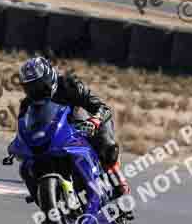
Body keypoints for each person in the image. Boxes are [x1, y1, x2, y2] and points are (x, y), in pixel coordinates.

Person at [15, 56, 131, 201]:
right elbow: (23, 129)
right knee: (26, 167)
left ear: (49, 77)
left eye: (39, 86)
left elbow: (102, 108)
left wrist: (94, 120)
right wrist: (18, 143)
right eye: (30, 88)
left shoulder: (69, 85)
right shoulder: (27, 104)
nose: (35, 92)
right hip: (53, 136)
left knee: (105, 143)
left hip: (80, 125)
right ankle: (44, 201)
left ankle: (119, 180)